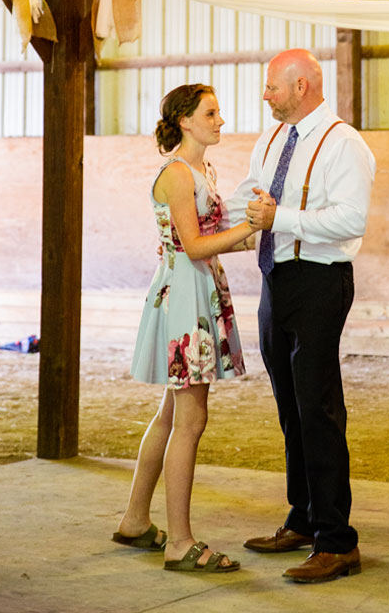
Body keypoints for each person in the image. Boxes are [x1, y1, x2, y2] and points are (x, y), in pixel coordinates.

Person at [229, 48, 375, 583]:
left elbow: (353, 218)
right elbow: (250, 194)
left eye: (272, 86)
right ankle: (304, 517)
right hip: (276, 278)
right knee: (290, 406)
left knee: (318, 407)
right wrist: (207, 214)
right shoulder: (272, 139)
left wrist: (280, 216)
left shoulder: (344, 144)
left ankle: (338, 540)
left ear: (302, 86)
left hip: (319, 280)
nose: (265, 94)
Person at [113, 83, 254, 574]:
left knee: (172, 415)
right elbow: (194, 246)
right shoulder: (177, 173)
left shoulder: (202, 170)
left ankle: (135, 519)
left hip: (199, 288)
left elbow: (208, 241)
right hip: (186, 297)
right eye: (211, 113)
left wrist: (247, 234)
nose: (220, 121)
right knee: (190, 419)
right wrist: (252, 228)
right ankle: (180, 541)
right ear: (186, 121)